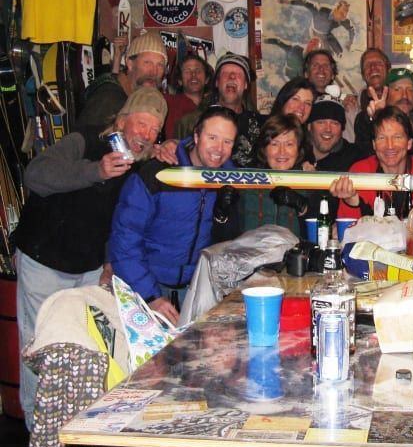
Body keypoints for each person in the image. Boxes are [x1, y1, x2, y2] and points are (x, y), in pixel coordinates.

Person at [14, 86, 167, 428]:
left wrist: (109, 263)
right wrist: (95, 170)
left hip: (89, 267)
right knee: (40, 346)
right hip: (44, 258)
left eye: (155, 130)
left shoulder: (140, 163)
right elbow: (35, 174)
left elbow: (119, 220)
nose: (146, 134)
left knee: (87, 345)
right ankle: (38, 429)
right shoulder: (84, 140)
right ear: (122, 121)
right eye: (141, 124)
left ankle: (77, 424)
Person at [109, 106, 238, 325]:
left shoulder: (231, 179)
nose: (219, 148)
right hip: (148, 288)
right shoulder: (158, 173)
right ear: (196, 136)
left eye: (228, 141)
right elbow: (125, 239)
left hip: (196, 289)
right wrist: (150, 296)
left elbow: (228, 242)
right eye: (212, 137)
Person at [330, 107, 413, 228]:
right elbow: (347, 231)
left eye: (397, 137)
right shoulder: (359, 173)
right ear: (374, 144)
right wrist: (351, 202)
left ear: (409, 143)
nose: (390, 146)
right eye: (382, 138)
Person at [174, 52, 263, 167]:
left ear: (246, 84)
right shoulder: (189, 122)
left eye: (238, 74)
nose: (232, 77)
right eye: (226, 73)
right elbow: (177, 155)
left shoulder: (261, 125)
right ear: (216, 82)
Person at [78, 31, 167, 128]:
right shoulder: (108, 98)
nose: (154, 72)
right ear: (130, 64)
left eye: (160, 65)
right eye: (147, 62)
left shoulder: (137, 97)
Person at [239, 114, 307, 237]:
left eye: (289, 144)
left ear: (298, 149)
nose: (282, 152)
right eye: (274, 144)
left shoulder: (310, 182)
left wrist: (303, 207)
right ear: (264, 149)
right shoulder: (246, 183)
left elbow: (319, 232)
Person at [301, 97, 365, 221]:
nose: (328, 129)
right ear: (309, 126)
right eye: (321, 122)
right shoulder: (295, 154)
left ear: (342, 129)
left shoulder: (355, 158)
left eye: (335, 123)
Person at [353, 67, 413, 157]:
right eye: (397, 89)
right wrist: (375, 117)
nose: (405, 96)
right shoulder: (369, 120)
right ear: (385, 93)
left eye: (410, 90)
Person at [343, 48, 391, 144]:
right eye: (367, 65)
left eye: (378, 63)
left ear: (388, 69)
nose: (373, 67)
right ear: (363, 74)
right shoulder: (351, 108)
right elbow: (351, 146)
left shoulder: (398, 101)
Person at [164, 55, 212, 138]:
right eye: (187, 71)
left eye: (198, 70)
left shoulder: (213, 109)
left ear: (206, 79)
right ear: (180, 80)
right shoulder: (168, 104)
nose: (193, 75)